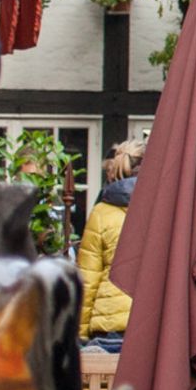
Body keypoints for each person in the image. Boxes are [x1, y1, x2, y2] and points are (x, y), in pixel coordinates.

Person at [76, 138, 147, 353]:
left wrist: (79, 332)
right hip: (151, 322)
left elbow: (88, 278)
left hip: (108, 327)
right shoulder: (166, 208)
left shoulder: (101, 212)